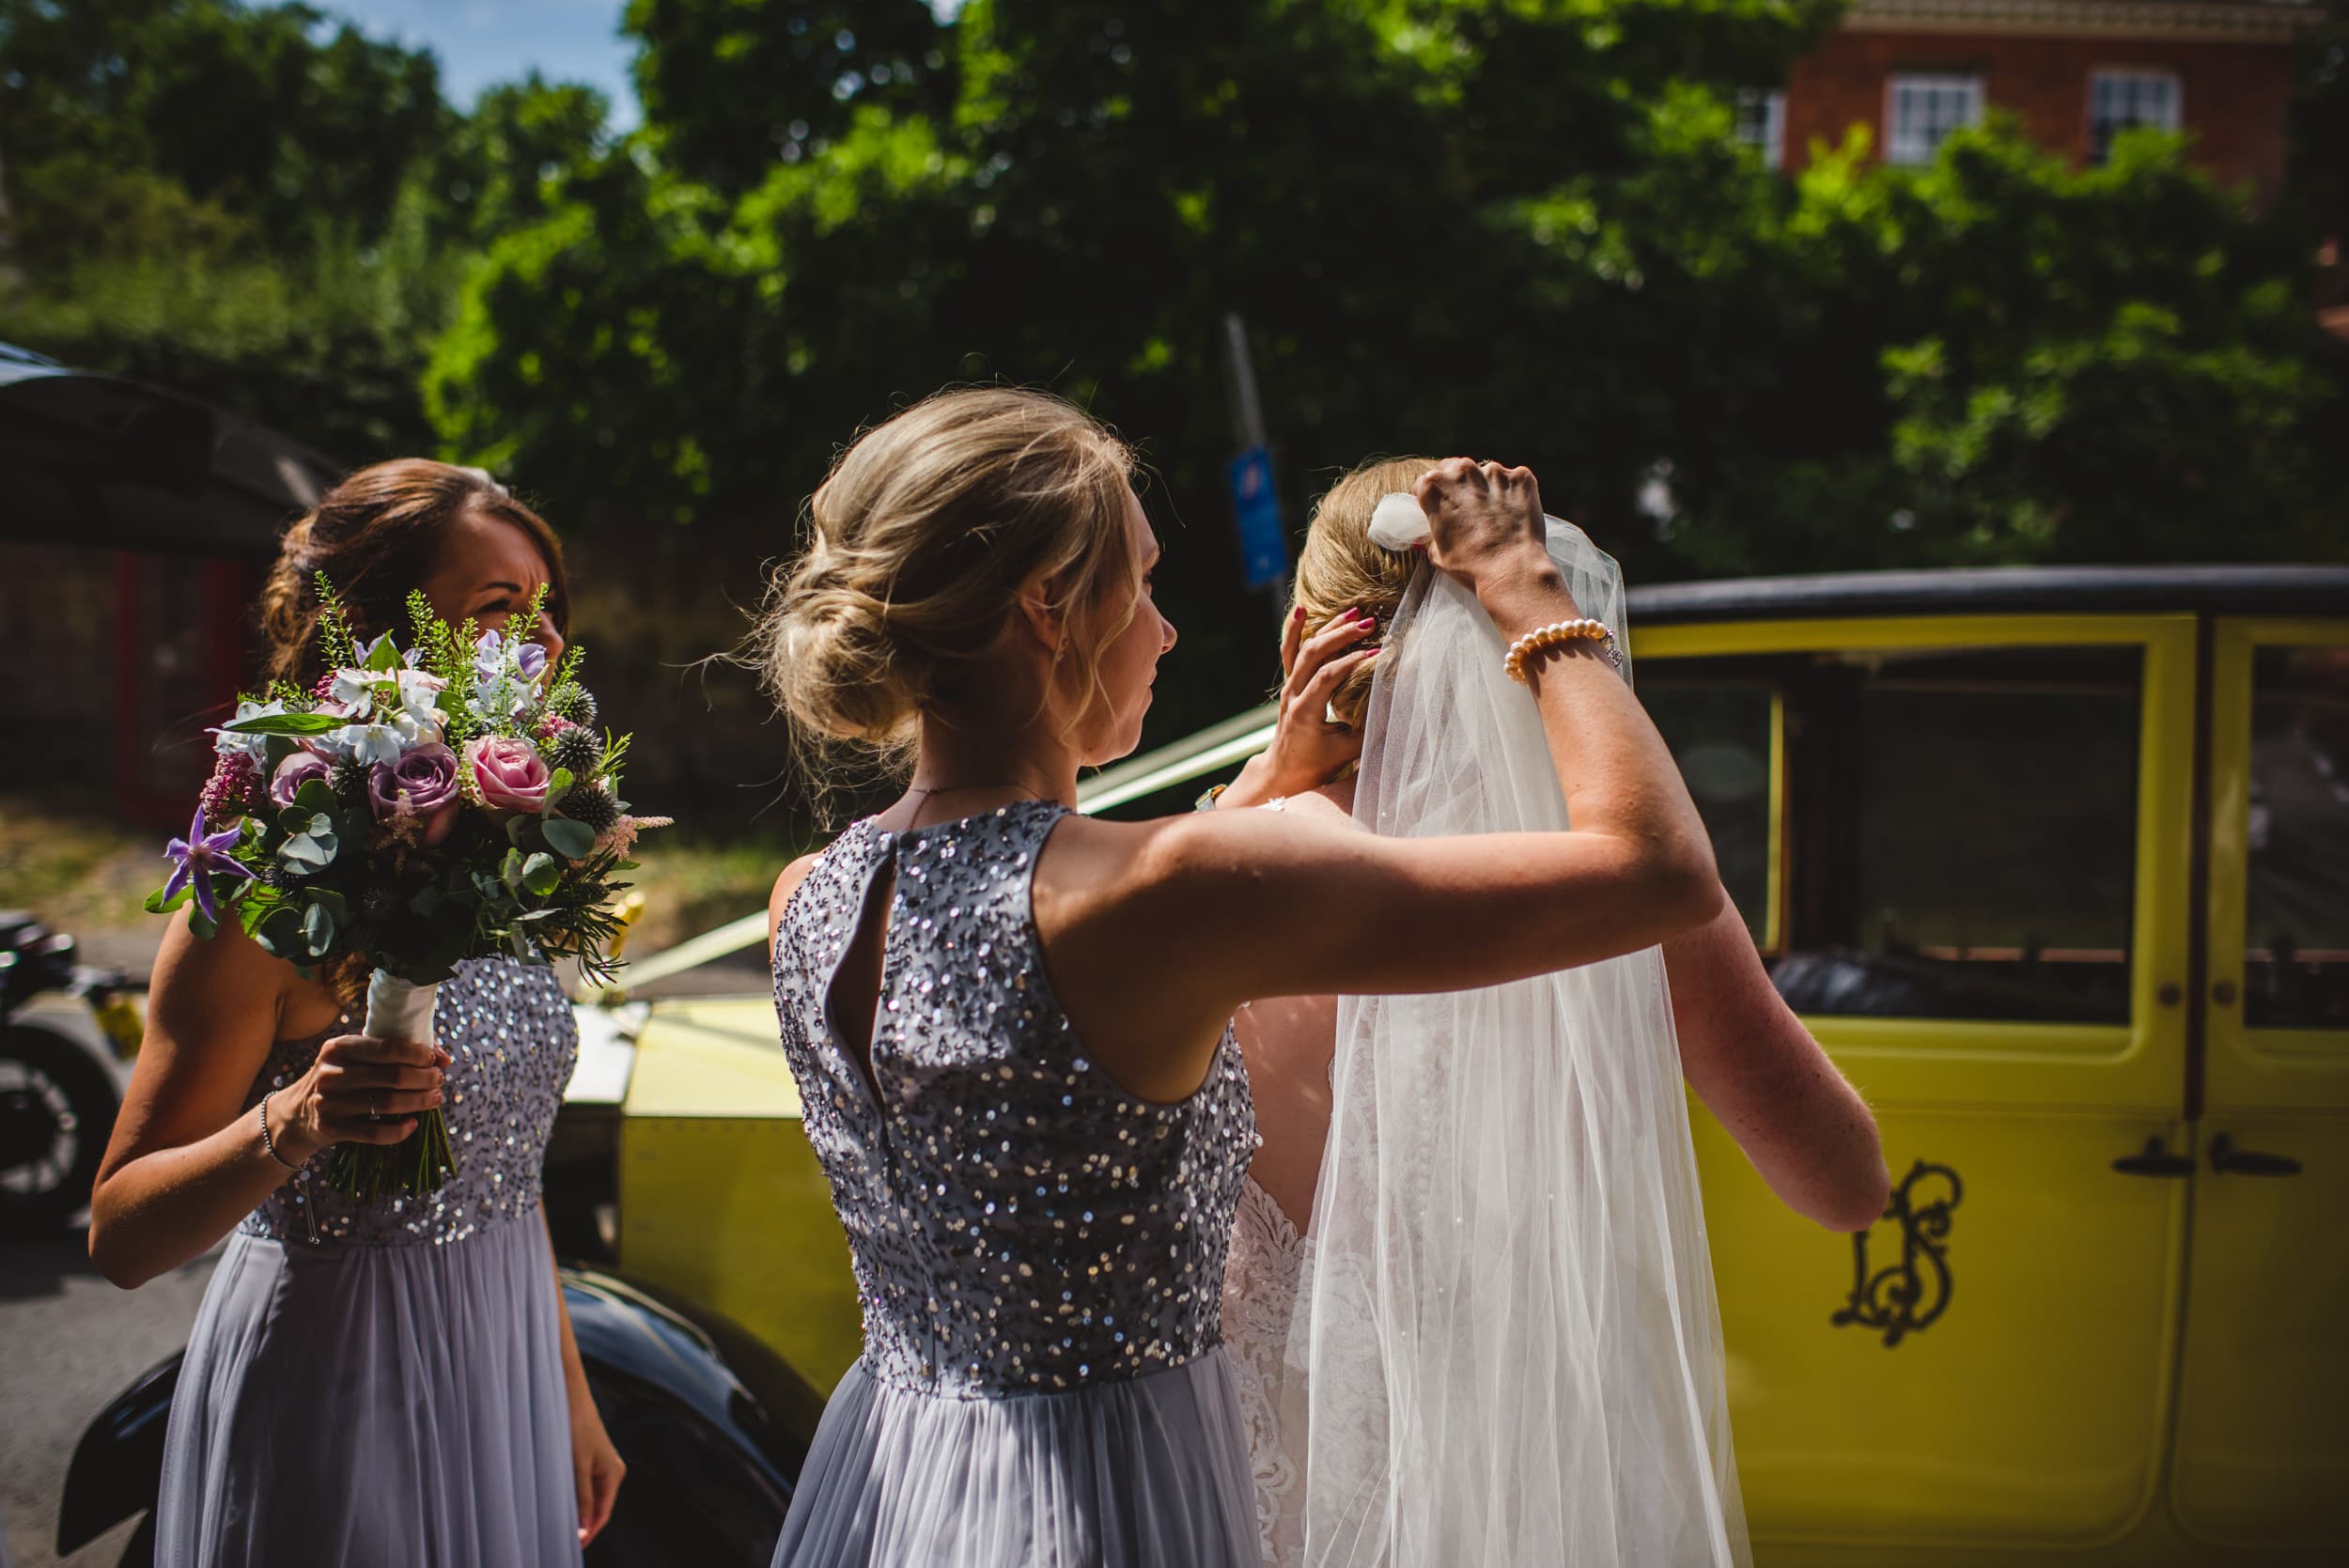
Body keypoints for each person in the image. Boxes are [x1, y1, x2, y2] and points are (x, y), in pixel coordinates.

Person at [754, 388, 1726, 1568]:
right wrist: (1526, 593)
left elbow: (1034, 915)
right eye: (1146, 582)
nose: (1164, 630)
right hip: (1105, 1495)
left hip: (896, 1476)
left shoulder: (810, 894)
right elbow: (1657, 870)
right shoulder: (1177, 891)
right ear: (1048, 611)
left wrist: (1264, 783)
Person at [1210, 458, 1890, 1566]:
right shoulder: (1622, 894)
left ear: (1306, 642)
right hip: (1537, 1502)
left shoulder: (1199, 880)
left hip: (1246, 1505)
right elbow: (1845, 1182)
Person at [87, 461, 625, 1568]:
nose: (545, 643)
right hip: (341, 1377)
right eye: (497, 608)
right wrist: (294, 1120)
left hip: (504, 1356)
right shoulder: (263, 898)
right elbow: (123, 1233)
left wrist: (565, 1389)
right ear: (374, 632)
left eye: (548, 612)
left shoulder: (510, 858)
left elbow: (504, 1172)